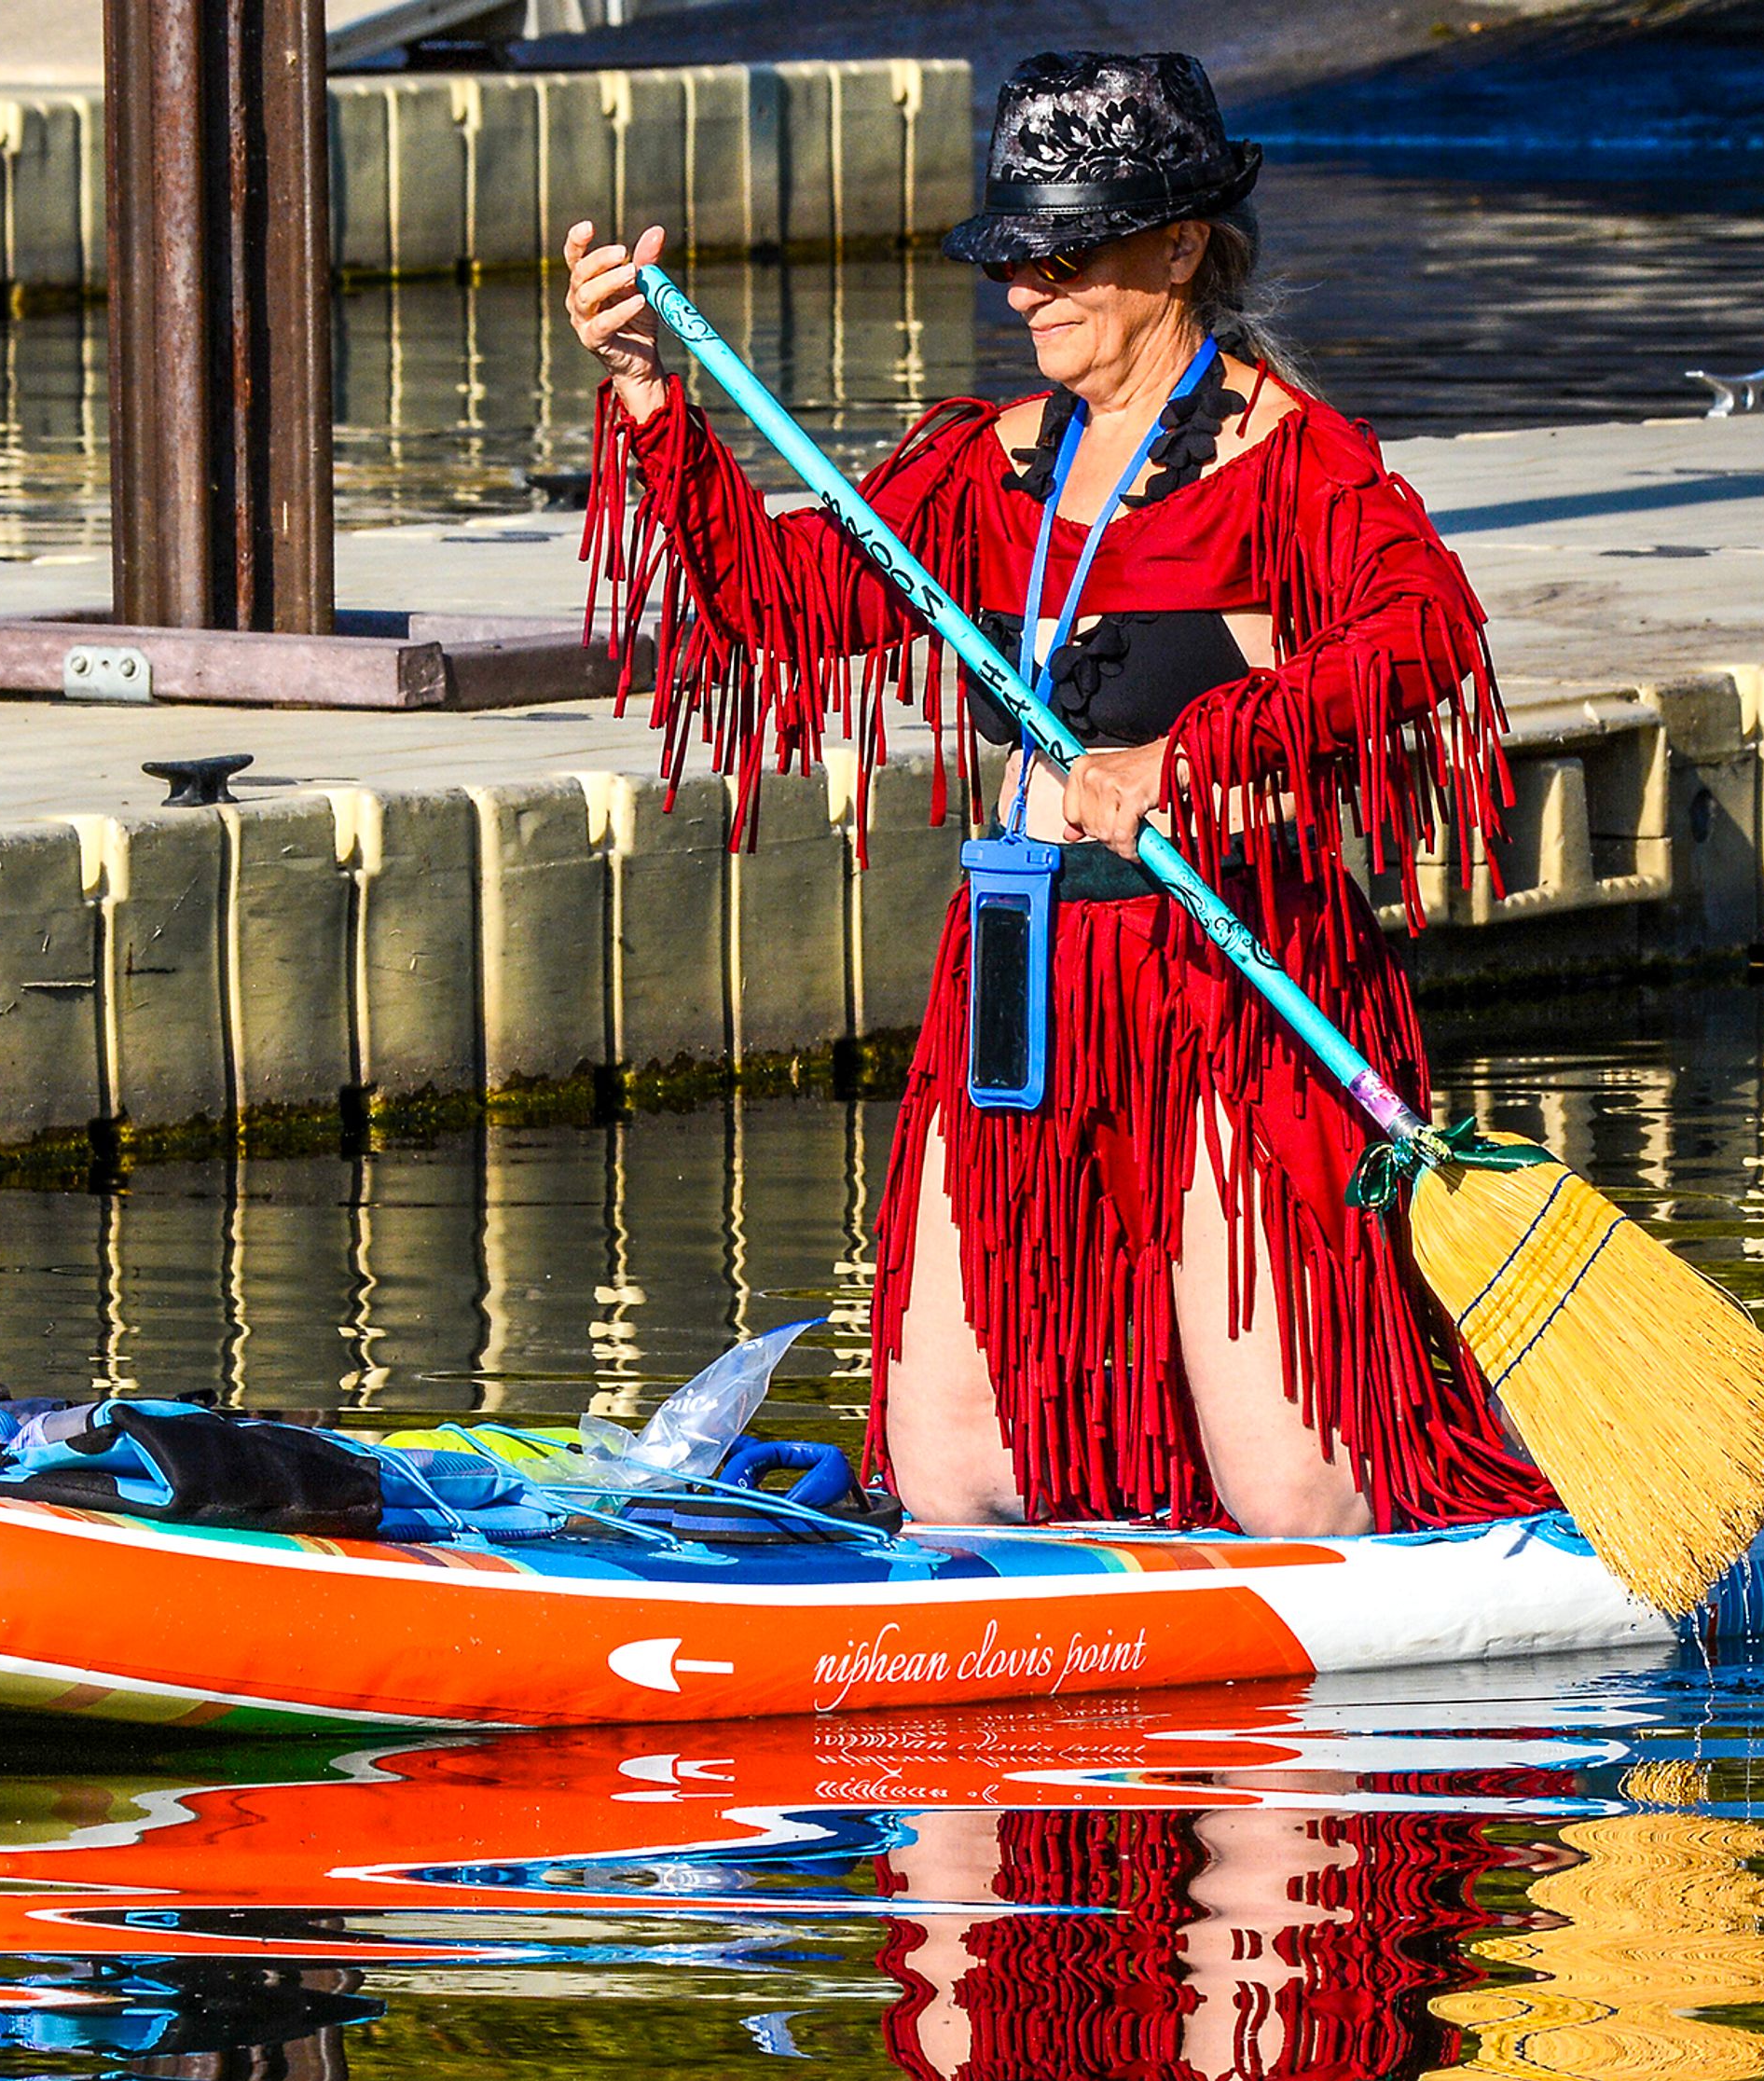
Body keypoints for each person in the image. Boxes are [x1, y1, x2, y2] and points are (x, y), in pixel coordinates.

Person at [562, 50, 1555, 1538]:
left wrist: (1191, 757)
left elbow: (1423, 642)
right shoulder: (986, 466)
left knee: (1297, 1490)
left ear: (1178, 246)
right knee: (954, 1474)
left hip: (1228, 986)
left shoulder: (1294, 466)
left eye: (1063, 252)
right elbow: (779, 606)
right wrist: (654, 397)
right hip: (1023, 984)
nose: (1024, 288)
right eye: (1012, 255)